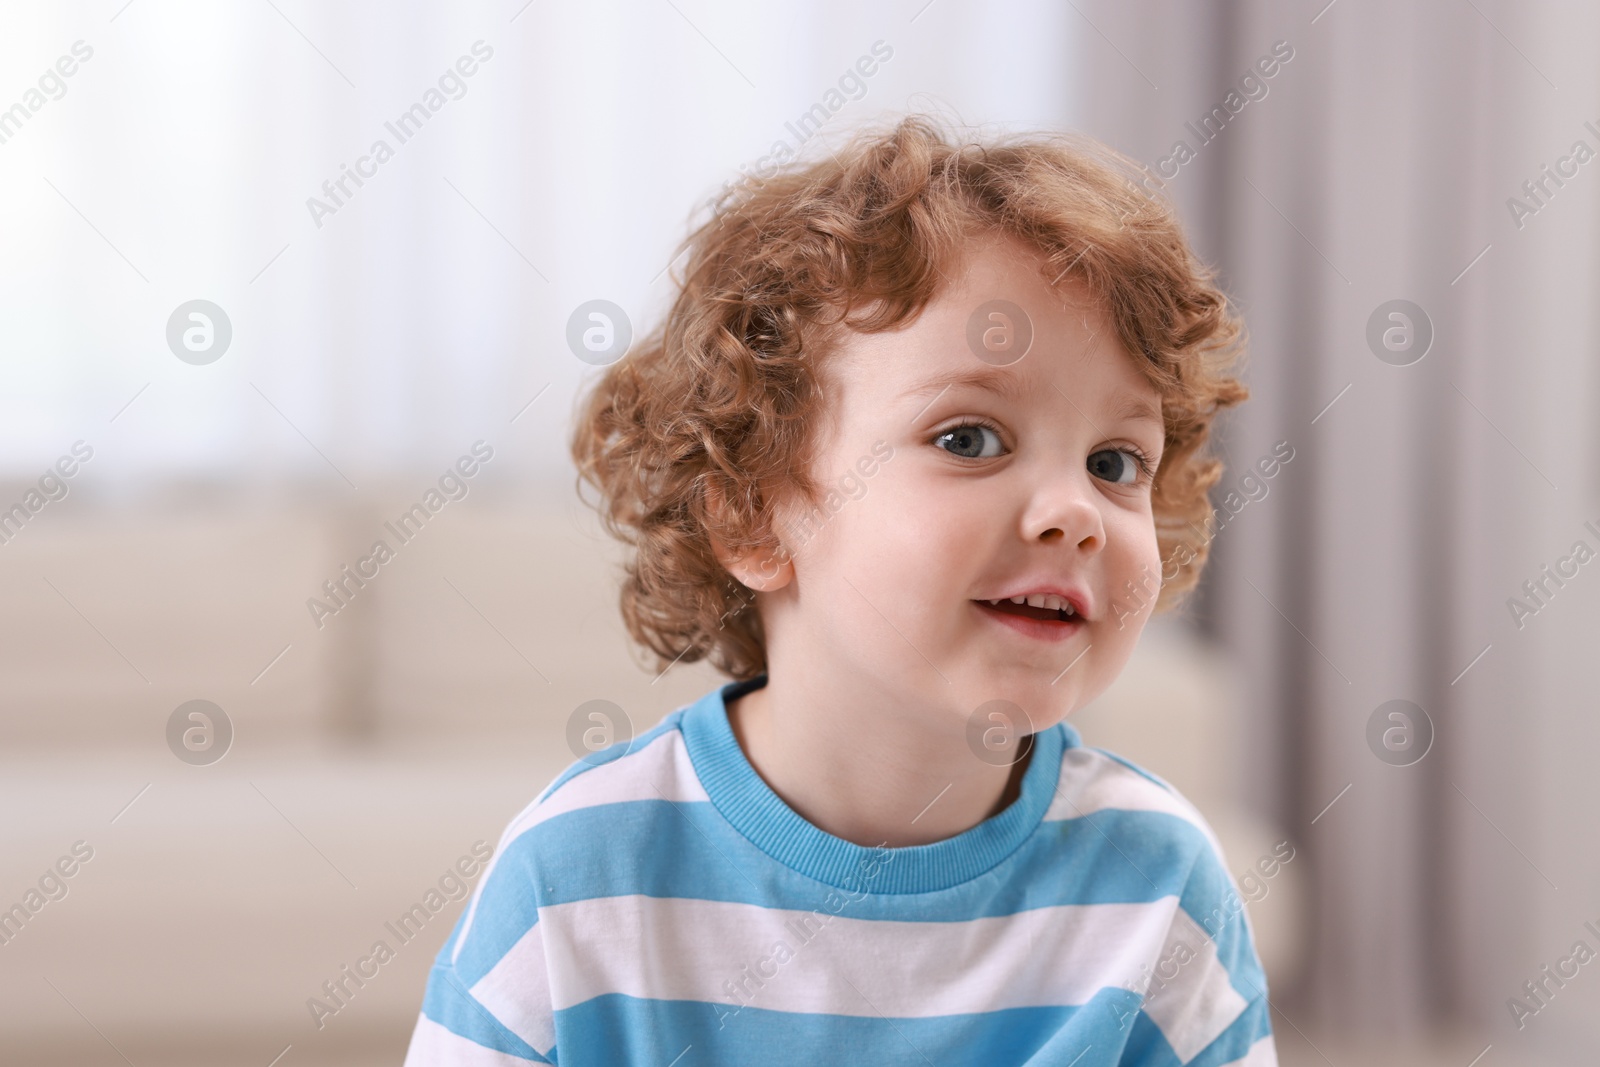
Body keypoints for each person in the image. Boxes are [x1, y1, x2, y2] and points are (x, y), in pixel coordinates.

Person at [402, 113, 1275, 1065]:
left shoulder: (1159, 889)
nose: (1076, 510)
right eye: (969, 438)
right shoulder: (577, 878)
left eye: (1116, 460)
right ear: (753, 513)